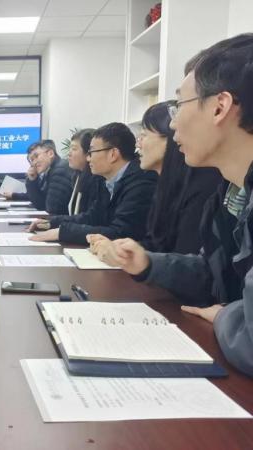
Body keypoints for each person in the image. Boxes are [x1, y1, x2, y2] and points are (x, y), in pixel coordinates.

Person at [110, 34, 253, 376]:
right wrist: (148, 264)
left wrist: (225, 315)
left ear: (219, 107)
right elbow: (214, 273)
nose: (173, 122)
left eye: (179, 106)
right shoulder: (231, 192)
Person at [88, 102, 223, 262]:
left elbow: (185, 258)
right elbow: (156, 244)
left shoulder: (200, 186)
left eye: (143, 135)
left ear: (170, 139)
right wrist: (119, 249)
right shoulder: (164, 185)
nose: (137, 144)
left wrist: (140, 259)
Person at [30, 122, 157, 245]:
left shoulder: (141, 183)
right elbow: (93, 217)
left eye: (92, 152)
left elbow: (121, 233)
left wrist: (63, 232)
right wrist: (52, 222)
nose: (88, 158)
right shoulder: (105, 181)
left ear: (113, 154)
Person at [31, 130, 102, 230]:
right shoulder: (78, 175)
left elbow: (52, 209)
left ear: (88, 153)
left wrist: (54, 225)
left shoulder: (96, 180)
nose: (69, 154)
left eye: (74, 149)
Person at [4, 140, 73, 214]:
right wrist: (32, 180)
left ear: (50, 153)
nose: (34, 163)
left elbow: (52, 209)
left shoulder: (60, 170)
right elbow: (40, 203)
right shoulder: (49, 170)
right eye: (32, 160)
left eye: (36, 156)